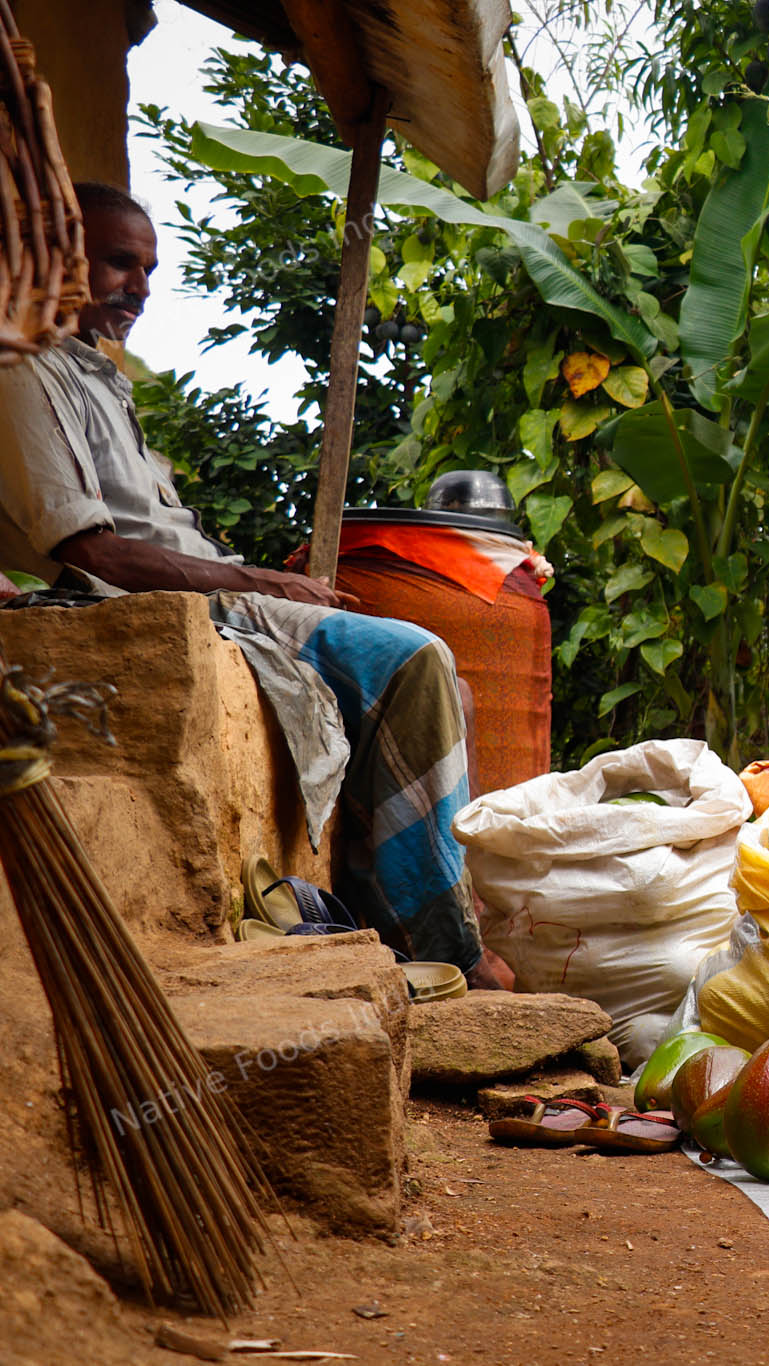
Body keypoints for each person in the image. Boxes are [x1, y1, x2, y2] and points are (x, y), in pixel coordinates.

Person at [0, 181, 511, 989]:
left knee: (449, 694)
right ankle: (451, 950)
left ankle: (396, 923)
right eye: (119, 263)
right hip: (164, 608)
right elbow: (95, 551)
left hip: (217, 594)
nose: (139, 287)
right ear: (61, 259)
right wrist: (257, 580)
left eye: (149, 269)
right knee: (412, 657)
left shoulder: (93, 374)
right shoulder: (24, 375)